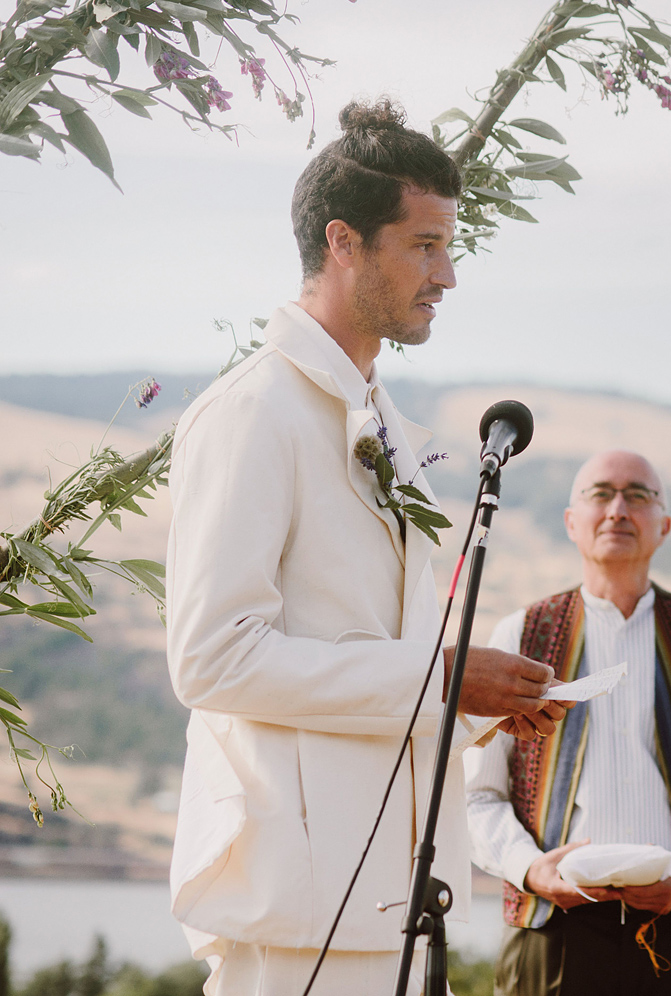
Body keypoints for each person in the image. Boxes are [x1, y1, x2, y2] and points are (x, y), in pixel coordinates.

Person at [165, 99, 567, 996]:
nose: (448, 274)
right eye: (424, 245)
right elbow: (212, 660)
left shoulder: (378, 416)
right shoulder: (252, 413)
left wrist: (480, 698)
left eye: (446, 246)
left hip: (396, 887)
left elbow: (382, 655)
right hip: (297, 894)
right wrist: (442, 680)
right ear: (344, 243)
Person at [465, 449, 671, 996]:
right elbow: (473, 796)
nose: (617, 509)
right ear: (571, 521)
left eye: (638, 495)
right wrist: (531, 868)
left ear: (664, 525)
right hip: (550, 935)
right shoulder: (520, 633)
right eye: (599, 494)